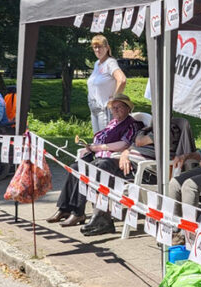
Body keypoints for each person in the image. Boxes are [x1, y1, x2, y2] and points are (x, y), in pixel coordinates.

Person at [49, 94, 141, 227]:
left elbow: (124, 144)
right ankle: (64, 209)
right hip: (100, 159)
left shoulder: (132, 124)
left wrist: (99, 147)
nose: (115, 110)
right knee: (75, 167)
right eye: (113, 108)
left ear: (128, 108)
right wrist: (89, 148)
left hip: (114, 163)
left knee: (87, 169)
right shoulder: (112, 124)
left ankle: (78, 212)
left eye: (119, 107)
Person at [87, 34, 126, 134]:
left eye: (99, 47)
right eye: (94, 47)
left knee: (105, 141)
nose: (97, 50)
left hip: (104, 109)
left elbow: (121, 80)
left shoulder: (110, 62)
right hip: (93, 108)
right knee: (97, 139)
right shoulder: (97, 63)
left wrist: (114, 99)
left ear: (107, 48)